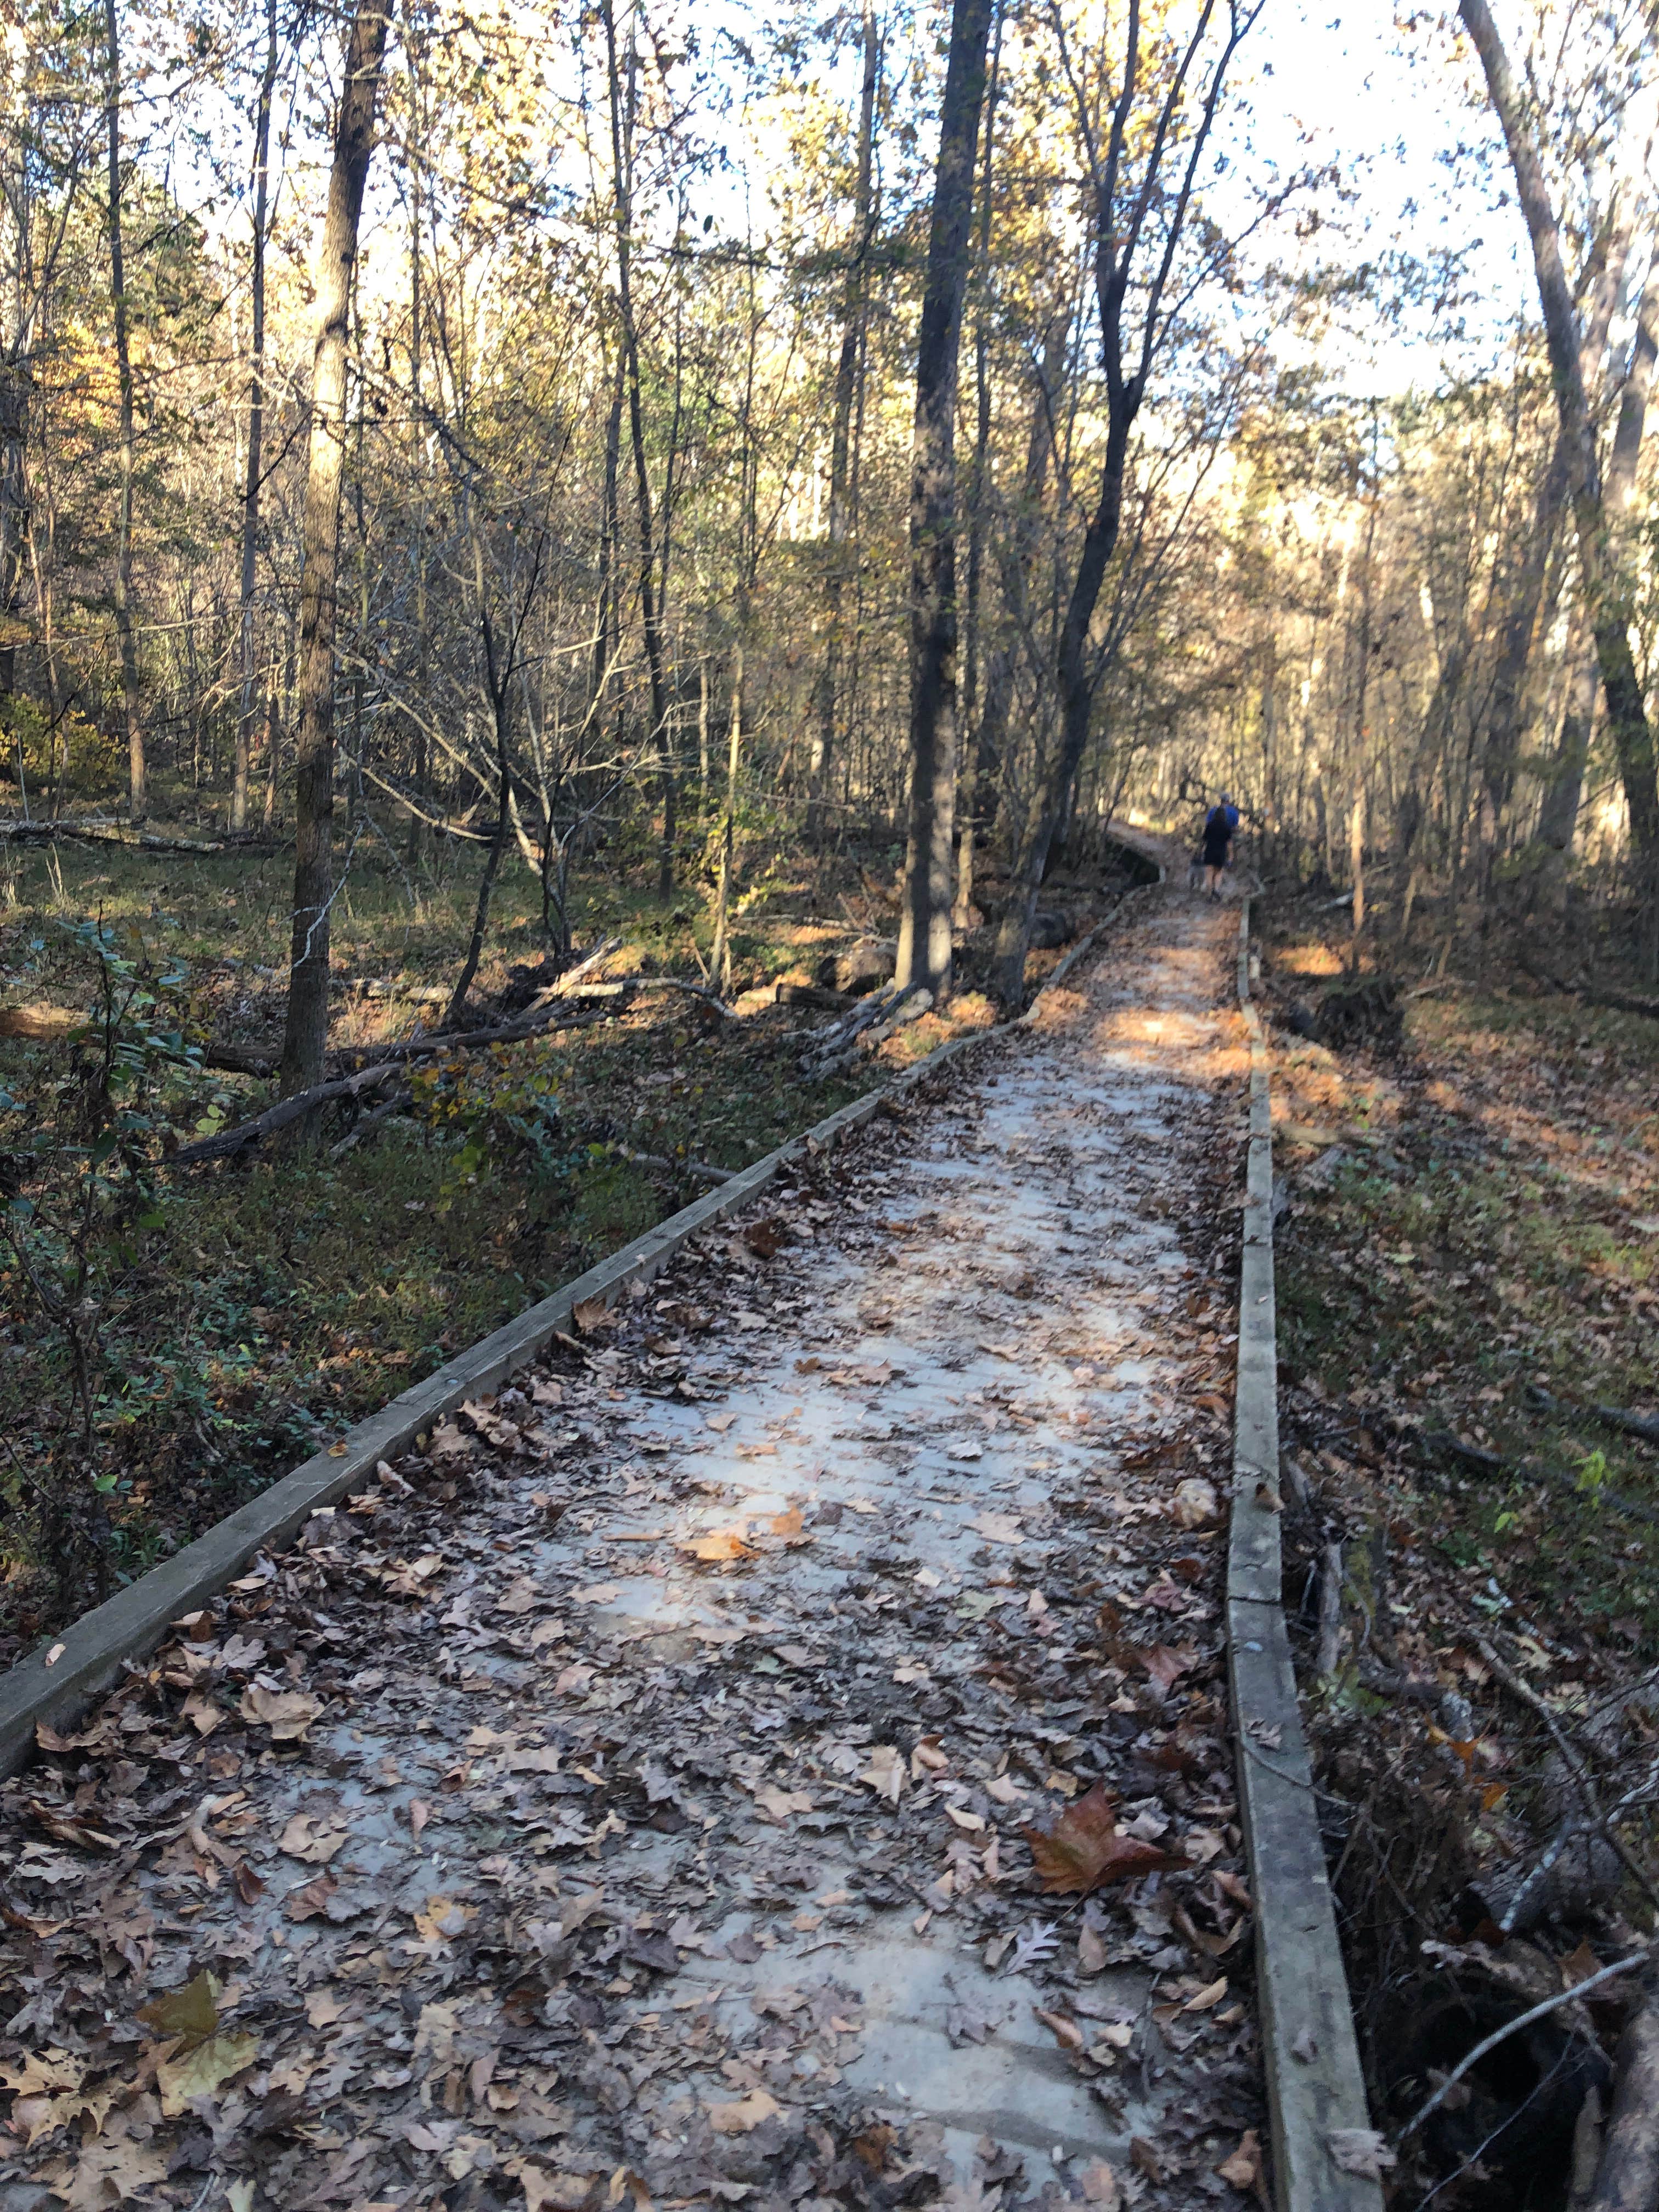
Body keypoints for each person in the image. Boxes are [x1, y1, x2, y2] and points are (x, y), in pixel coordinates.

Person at [1200, 793, 1239, 899]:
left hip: (1210, 849)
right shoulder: (1234, 813)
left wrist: (1201, 851)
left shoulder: (1212, 812)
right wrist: (1231, 857)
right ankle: (1216, 890)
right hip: (1222, 849)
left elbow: (1205, 838)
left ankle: (1209, 893)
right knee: (1219, 872)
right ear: (1229, 801)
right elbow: (1235, 830)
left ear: (1220, 800)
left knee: (1209, 872)